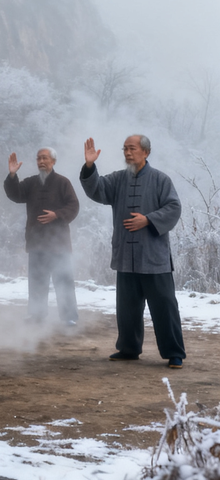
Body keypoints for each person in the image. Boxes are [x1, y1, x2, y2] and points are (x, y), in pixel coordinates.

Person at [80, 135, 185, 367]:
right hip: (126, 257)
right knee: (127, 308)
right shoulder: (118, 179)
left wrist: (148, 220)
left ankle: (174, 352)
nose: (127, 153)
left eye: (132, 148)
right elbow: (96, 190)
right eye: (125, 149)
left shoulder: (160, 180)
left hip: (154, 258)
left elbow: (174, 207)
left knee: (165, 306)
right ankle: (128, 349)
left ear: (145, 152)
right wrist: (89, 166)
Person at [4, 147, 80, 325]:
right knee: (37, 280)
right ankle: (36, 315)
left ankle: (69, 317)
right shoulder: (31, 183)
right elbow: (15, 194)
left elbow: (74, 206)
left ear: (53, 161)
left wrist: (57, 215)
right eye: (38, 158)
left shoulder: (63, 182)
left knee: (63, 280)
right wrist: (12, 176)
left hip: (59, 243)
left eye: (45, 158)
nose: (41, 162)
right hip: (36, 242)